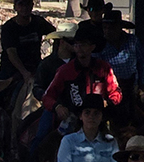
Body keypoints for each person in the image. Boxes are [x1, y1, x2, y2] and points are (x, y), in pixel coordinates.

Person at [37, 23, 120, 151]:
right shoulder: (64, 70)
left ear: (92, 47)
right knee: (45, 143)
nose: (79, 48)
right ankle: (33, 160)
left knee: (116, 141)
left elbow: (116, 92)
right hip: (73, 115)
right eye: (76, 44)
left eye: (84, 44)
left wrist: (107, 102)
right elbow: (48, 96)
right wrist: (57, 107)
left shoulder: (104, 68)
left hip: (99, 116)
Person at [0, 0, 56, 99]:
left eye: (27, 4)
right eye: (21, 4)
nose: (24, 8)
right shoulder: (8, 28)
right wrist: (24, 73)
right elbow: (11, 53)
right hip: (12, 69)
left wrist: (53, 58)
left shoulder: (38, 22)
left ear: (32, 6)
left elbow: (55, 35)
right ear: (15, 7)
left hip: (35, 67)